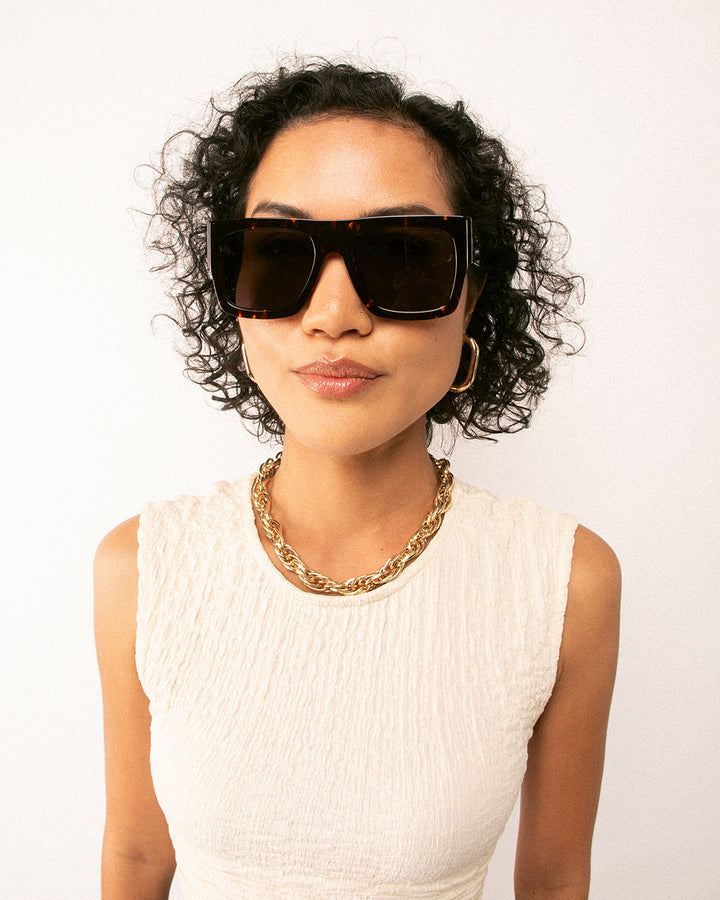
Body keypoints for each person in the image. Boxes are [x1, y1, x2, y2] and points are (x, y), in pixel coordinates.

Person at [94, 60, 621, 900]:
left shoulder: (564, 581)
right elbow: (135, 859)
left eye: (404, 256)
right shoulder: (144, 567)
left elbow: (556, 879)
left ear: (471, 294)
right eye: (278, 255)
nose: (334, 315)